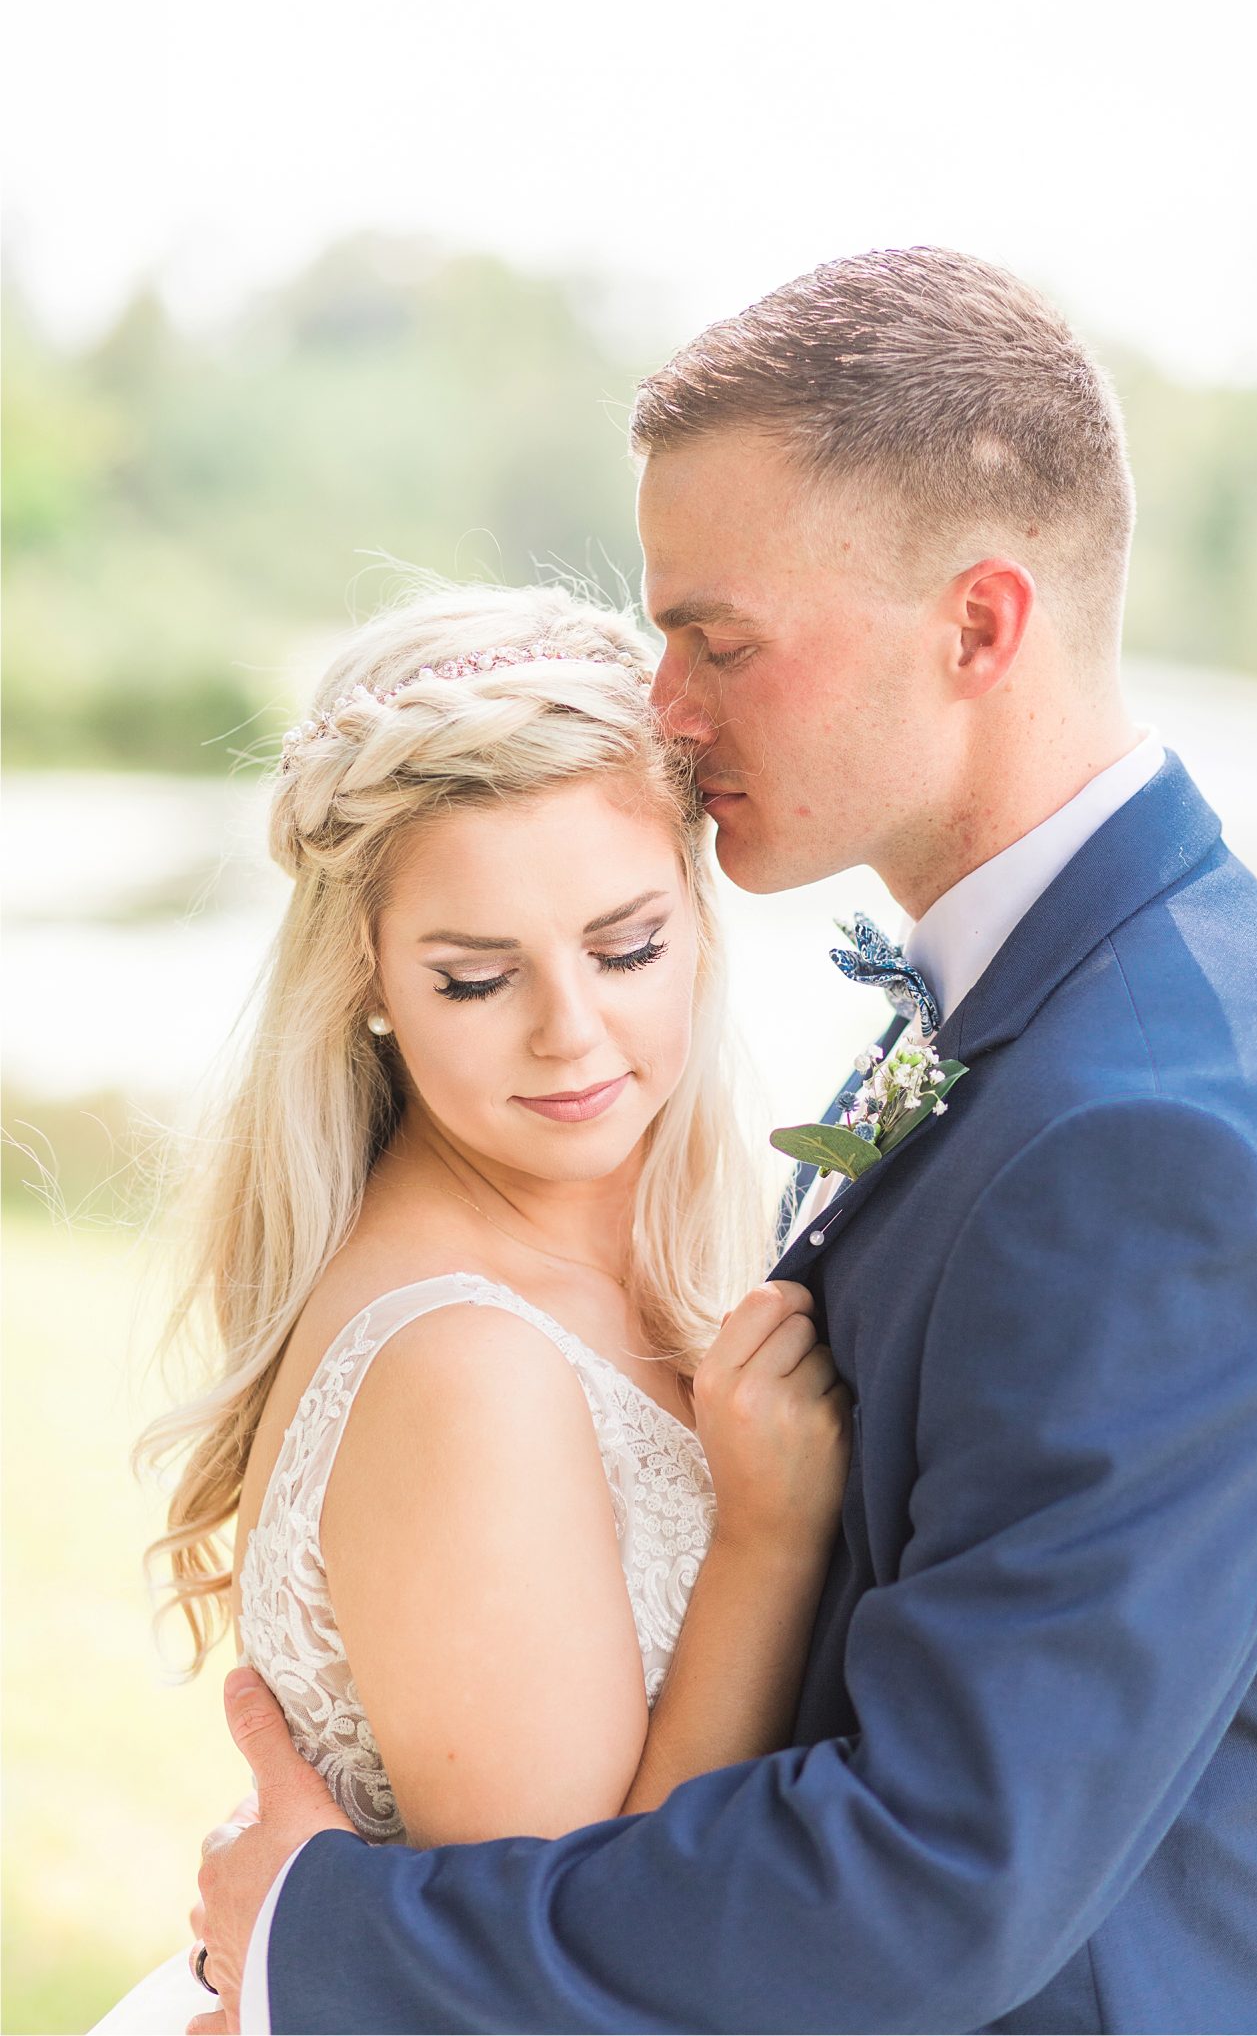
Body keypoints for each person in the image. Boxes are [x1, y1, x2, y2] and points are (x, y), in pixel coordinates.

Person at [193, 246, 1257, 2035]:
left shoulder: (1144, 1136)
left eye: (718, 639)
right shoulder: (1114, 991)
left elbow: (933, 1881)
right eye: (663, 631)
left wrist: (322, 1939)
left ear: (978, 628)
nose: (664, 704)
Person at [89, 583, 852, 2034]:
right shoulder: (464, 1366)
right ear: (370, 980)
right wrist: (767, 1534)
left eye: (624, 948)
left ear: (697, 913)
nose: (570, 1031)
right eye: (476, 978)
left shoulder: (636, 1251)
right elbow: (566, 1956)